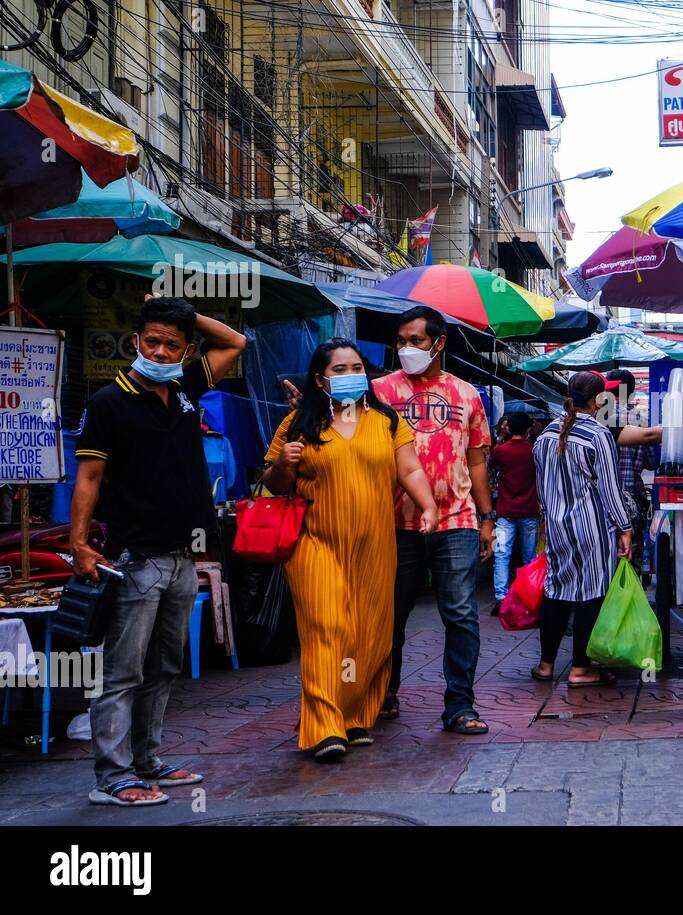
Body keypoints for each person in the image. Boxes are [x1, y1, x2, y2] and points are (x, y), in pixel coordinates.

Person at [72, 296, 245, 806]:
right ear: (135, 343)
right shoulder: (109, 402)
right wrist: (81, 543)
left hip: (182, 557)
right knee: (123, 670)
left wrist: (184, 314)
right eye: (153, 342)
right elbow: (89, 476)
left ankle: (147, 761)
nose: (162, 352)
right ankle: (113, 776)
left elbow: (235, 341)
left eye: (173, 345)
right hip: (135, 558)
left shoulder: (186, 390)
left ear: (186, 350)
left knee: (164, 666)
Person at [263, 339, 438, 761]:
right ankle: (323, 726)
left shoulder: (386, 421)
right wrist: (285, 462)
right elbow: (273, 484)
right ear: (321, 379)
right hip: (314, 541)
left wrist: (428, 504)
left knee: (371, 633)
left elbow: (409, 466)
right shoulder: (298, 423)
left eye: (356, 367)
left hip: (375, 542)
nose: (349, 375)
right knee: (327, 628)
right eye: (339, 369)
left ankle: (354, 713)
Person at [371, 306, 493, 735]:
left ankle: (460, 706)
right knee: (389, 615)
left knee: (460, 615)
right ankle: (382, 695)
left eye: (416, 341)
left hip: (455, 521)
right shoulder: (377, 391)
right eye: (401, 341)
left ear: (439, 343)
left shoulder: (467, 394)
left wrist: (487, 518)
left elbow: (476, 461)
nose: (406, 349)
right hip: (392, 522)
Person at [530, 372, 633, 687]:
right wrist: (625, 527)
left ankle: (546, 665)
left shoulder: (545, 433)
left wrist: (546, 522)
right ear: (598, 400)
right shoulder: (598, 435)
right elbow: (610, 489)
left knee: (556, 590)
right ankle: (580, 668)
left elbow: (541, 487)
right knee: (592, 592)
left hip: (557, 526)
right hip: (592, 527)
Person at [602, 369, 661, 572]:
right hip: (633, 498)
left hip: (603, 500)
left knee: (605, 557)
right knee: (631, 557)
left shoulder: (599, 419)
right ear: (632, 392)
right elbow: (653, 462)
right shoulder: (642, 420)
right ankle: (630, 597)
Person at [490, 411, 541, 612]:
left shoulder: (501, 451)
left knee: (502, 554)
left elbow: (490, 465)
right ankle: (527, 597)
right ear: (528, 429)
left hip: (505, 513)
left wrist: (501, 438)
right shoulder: (534, 451)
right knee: (529, 557)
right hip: (529, 511)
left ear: (509, 428)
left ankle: (501, 597)